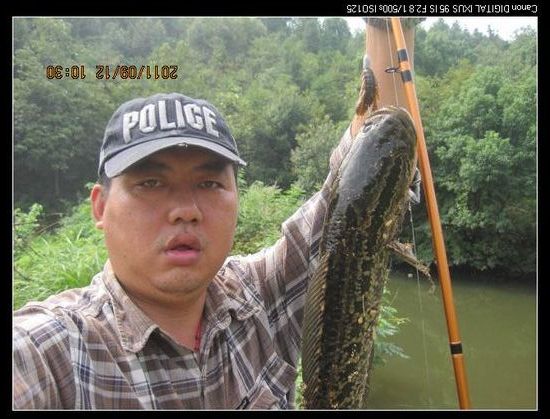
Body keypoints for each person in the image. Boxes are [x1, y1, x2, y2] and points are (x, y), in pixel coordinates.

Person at [13, 19, 418, 409]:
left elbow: (364, 178)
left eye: (209, 183)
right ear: (100, 207)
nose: (185, 211)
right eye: (151, 183)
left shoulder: (258, 298)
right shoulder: (53, 352)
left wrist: (387, 24)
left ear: (236, 196)